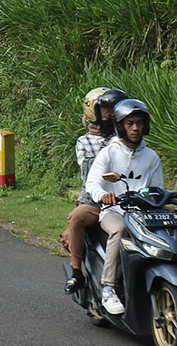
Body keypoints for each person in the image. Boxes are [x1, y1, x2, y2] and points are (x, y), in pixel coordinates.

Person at [84, 98, 163, 316]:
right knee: (120, 230)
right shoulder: (109, 152)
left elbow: (156, 188)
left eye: (139, 123)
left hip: (142, 216)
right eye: (130, 123)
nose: (136, 128)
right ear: (120, 126)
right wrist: (103, 195)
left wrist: (162, 201)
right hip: (113, 212)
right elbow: (92, 182)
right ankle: (108, 287)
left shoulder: (151, 156)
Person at [61, 87, 129, 294]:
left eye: (114, 109)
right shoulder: (85, 142)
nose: (110, 113)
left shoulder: (125, 138)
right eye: (106, 109)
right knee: (77, 218)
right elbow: (91, 172)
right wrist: (112, 146)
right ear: (94, 112)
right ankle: (76, 273)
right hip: (95, 200)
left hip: (124, 198)